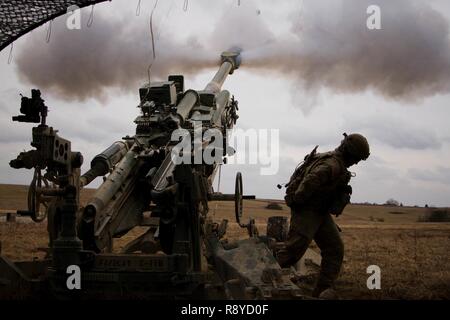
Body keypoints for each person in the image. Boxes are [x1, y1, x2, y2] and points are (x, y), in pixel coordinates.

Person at [277, 133, 370, 298]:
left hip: (320, 212)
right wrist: (299, 202)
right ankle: (258, 277)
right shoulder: (332, 165)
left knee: (335, 249)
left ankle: (320, 293)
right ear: (350, 152)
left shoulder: (334, 161)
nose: (356, 162)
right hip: (307, 211)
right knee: (292, 252)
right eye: (357, 158)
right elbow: (310, 180)